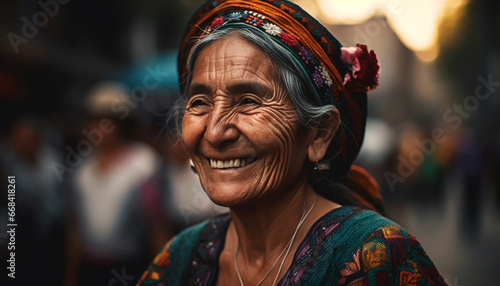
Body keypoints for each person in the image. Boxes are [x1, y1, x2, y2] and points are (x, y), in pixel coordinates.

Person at [138, 0, 447, 285]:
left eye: (248, 101)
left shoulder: (377, 258)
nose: (215, 133)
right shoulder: (179, 258)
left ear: (319, 135)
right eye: (200, 102)